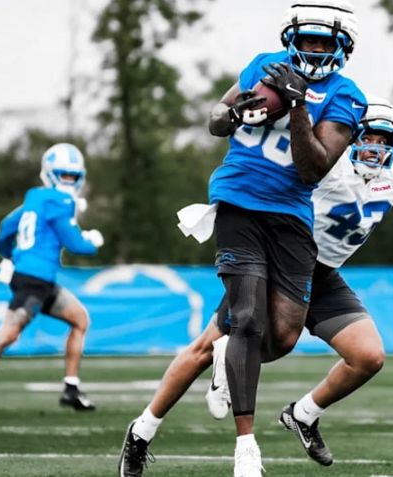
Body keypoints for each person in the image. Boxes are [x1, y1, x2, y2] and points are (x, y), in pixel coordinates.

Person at [117, 93, 393, 475]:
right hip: (280, 263)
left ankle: (302, 414)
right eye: (368, 137)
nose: (374, 147)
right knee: (204, 349)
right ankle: (142, 431)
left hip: (323, 275)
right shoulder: (327, 165)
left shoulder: (392, 175)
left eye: (383, 140)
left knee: (368, 356)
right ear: (351, 136)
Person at [120, 2, 366, 476]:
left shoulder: (346, 96)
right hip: (238, 203)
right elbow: (215, 120)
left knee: (283, 336)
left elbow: (313, 167)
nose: (314, 48)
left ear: (341, 47)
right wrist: (236, 113)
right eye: (308, 40)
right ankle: (245, 449)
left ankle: (210, 368)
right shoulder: (262, 65)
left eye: (324, 42)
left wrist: (297, 105)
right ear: (292, 39)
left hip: (291, 219)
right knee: (248, 318)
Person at [0, 143, 103, 421]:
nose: (68, 180)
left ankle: (71, 388)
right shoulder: (61, 202)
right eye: (65, 175)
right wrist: (92, 240)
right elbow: (77, 245)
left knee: (80, 319)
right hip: (35, 281)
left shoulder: (36, 198)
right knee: (10, 333)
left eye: (72, 176)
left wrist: (11, 256)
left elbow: (6, 228)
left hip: (36, 279)